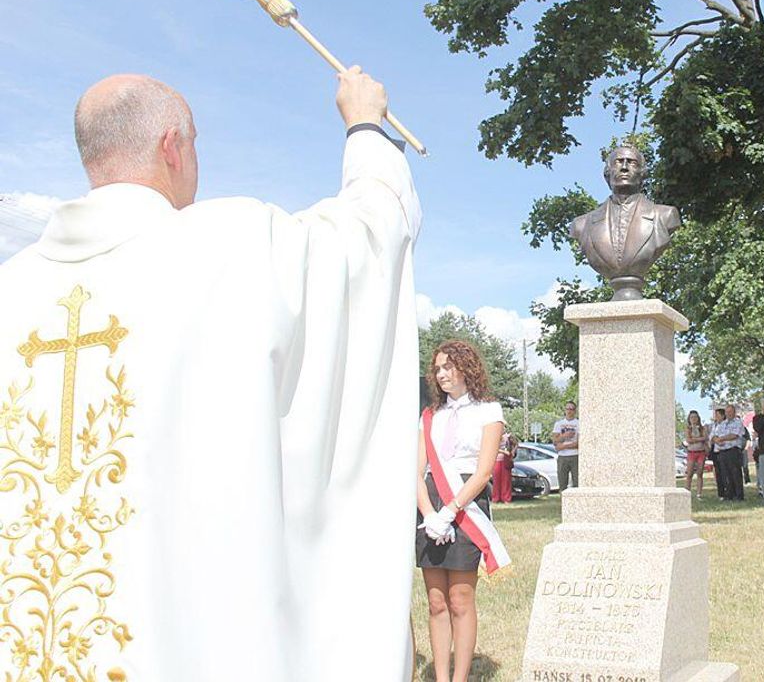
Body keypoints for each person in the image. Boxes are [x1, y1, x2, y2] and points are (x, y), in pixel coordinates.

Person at [0, 71, 421, 680]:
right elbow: (368, 238)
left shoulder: (12, 287)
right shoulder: (234, 242)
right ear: (172, 146)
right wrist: (365, 128)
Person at [417, 339, 509, 682]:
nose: (441, 374)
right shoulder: (430, 415)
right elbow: (416, 471)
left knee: (460, 598)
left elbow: (484, 472)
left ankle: (460, 678)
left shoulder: (489, 410)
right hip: (430, 505)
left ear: (466, 367)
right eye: (437, 369)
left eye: (448, 367)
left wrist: (449, 512)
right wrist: (430, 514)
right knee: (436, 601)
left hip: (466, 503)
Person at [569, 145, 682, 300]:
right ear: (607, 173)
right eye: (618, 162)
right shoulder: (582, 224)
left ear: (642, 174)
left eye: (632, 163)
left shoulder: (665, 216)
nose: (624, 167)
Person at [712, 404, 745, 501]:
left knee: (735, 473)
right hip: (722, 451)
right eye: (727, 412)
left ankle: (739, 495)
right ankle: (729, 495)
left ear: (734, 412)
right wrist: (716, 440)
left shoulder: (738, 422)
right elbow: (714, 435)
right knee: (725, 474)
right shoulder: (722, 424)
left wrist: (721, 438)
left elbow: (734, 435)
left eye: (730, 412)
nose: (728, 414)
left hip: (733, 450)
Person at [552, 401, 580, 489]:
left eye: (571, 409)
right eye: (567, 409)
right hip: (562, 457)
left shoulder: (579, 423)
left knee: (577, 482)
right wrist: (564, 436)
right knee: (562, 483)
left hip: (575, 455)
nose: (569, 411)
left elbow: (579, 443)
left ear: (575, 411)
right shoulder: (559, 424)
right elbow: (555, 441)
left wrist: (563, 446)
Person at [684, 409, 710, 498]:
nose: (693, 419)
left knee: (700, 473)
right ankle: (687, 492)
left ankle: (699, 494)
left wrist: (695, 439)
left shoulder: (702, 428)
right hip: (691, 452)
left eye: (695, 417)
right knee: (689, 473)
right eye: (691, 417)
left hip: (701, 452)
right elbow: (688, 440)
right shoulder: (688, 428)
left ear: (698, 418)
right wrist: (699, 439)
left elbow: (705, 438)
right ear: (689, 419)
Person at [491, 424, 519, 504]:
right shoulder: (495, 437)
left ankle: (506, 498)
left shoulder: (509, 437)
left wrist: (512, 452)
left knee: (506, 480)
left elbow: (515, 444)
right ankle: (496, 498)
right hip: (496, 460)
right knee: (496, 480)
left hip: (506, 461)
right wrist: (502, 451)